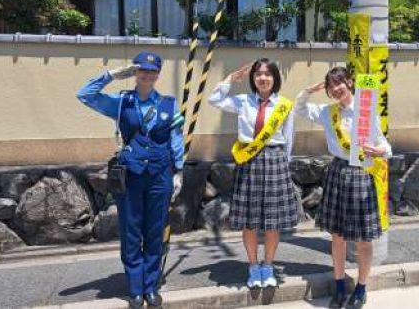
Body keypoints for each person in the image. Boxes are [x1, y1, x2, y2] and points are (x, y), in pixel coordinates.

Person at [76, 51, 184, 309]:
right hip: (130, 176)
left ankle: (151, 286)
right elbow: (85, 94)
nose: (147, 75)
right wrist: (111, 75)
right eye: (141, 70)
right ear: (135, 73)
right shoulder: (122, 102)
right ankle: (135, 288)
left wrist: (179, 171)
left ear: (158, 74)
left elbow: (176, 139)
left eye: (152, 71)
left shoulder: (169, 104)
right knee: (131, 231)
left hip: (160, 175)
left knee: (155, 231)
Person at [294, 66, 392, 309]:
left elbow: (385, 146)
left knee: (362, 239)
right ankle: (339, 285)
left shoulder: (366, 110)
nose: (336, 89)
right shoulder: (328, 113)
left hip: (361, 175)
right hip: (338, 172)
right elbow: (299, 109)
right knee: (336, 236)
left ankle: (361, 288)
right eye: (331, 86)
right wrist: (307, 91)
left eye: (339, 83)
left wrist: (380, 151)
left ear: (349, 82)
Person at [208, 58, 298, 288]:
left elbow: (288, 139)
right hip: (249, 161)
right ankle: (253, 266)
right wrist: (229, 80)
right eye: (258, 74)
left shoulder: (285, 104)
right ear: (253, 78)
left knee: (272, 221)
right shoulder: (242, 101)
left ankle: (268, 266)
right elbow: (214, 99)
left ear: (275, 78)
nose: (263, 78)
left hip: (275, 161)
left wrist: (283, 165)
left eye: (268, 74)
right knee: (249, 221)